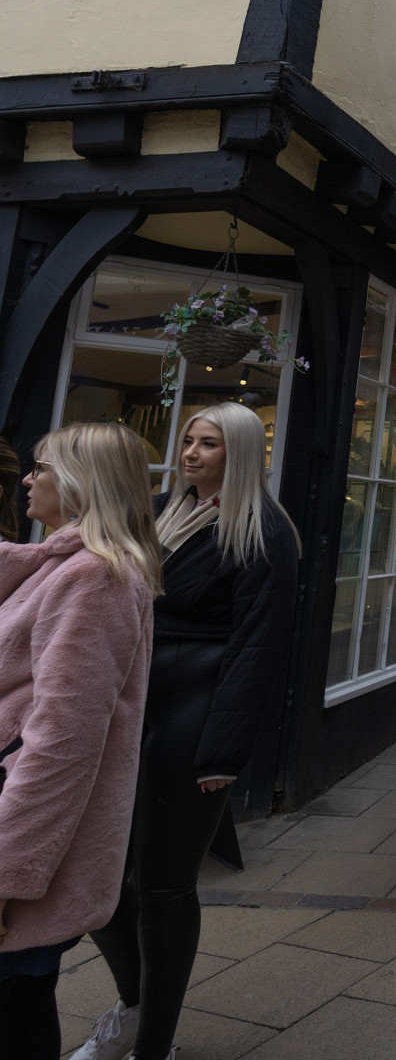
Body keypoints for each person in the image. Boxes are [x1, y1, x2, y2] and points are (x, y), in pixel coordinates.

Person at [76, 405, 298, 1060]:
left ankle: (155, 1046)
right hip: (132, 707)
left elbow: (258, 650)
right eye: (188, 440)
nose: (192, 452)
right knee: (97, 875)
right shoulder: (161, 514)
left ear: (240, 453)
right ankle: (134, 1006)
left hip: (194, 719)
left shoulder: (264, 534)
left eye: (209, 443)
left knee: (165, 885)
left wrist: (223, 752)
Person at [0, 425, 158, 1060]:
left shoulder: (96, 577)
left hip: (24, 837)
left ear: (80, 483)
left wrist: (7, 874)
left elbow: (63, 744)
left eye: (42, 467)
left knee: (16, 1000)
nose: (28, 478)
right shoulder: (63, 565)